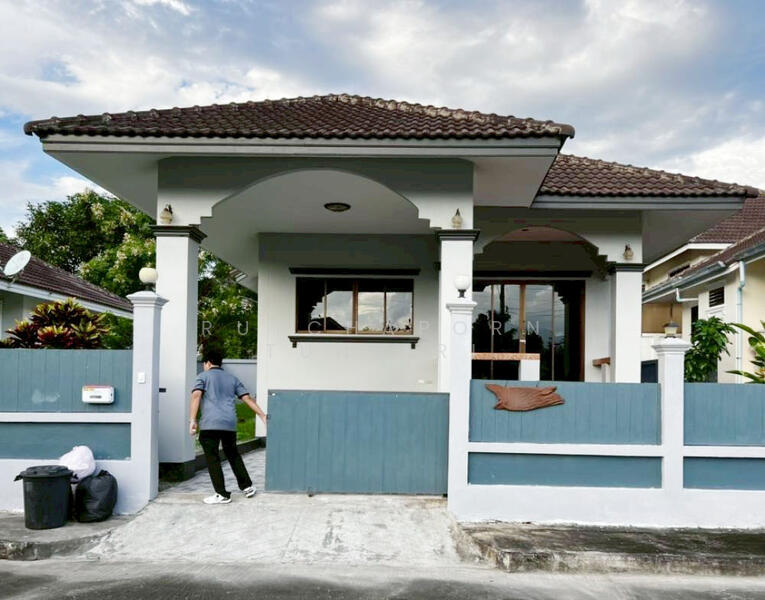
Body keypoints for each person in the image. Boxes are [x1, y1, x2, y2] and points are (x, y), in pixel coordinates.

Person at [190, 348, 267, 505]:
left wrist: (192, 420)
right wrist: (262, 415)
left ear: (208, 363)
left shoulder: (202, 376)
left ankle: (222, 494)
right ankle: (247, 487)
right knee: (233, 454)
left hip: (210, 424)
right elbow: (247, 398)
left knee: (213, 458)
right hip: (229, 423)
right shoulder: (232, 378)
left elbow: (196, 396)